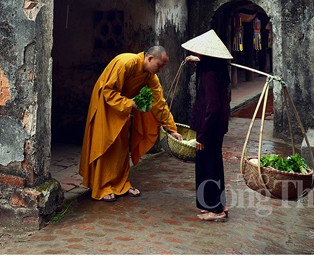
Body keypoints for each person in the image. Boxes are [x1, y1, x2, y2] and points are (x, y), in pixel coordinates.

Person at [79, 45, 182, 202]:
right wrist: (130, 103)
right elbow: (107, 91)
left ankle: (121, 184)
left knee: (121, 146)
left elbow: (159, 103)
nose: (160, 70)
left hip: (122, 108)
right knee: (106, 144)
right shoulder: (125, 62)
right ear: (149, 58)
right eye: (159, 65)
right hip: (105, 105)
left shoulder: (150, 76)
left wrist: (171, 129)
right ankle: (102, 186)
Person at [182, 29, 233, 222]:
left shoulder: (211, 74)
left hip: (210, 127)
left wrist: (202, 136)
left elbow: (212, 108)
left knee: (210, 167)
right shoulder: (216, 68)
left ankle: (216, 209)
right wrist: (195, 60)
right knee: (210, 166)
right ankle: (215, 204)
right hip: (214, 127)